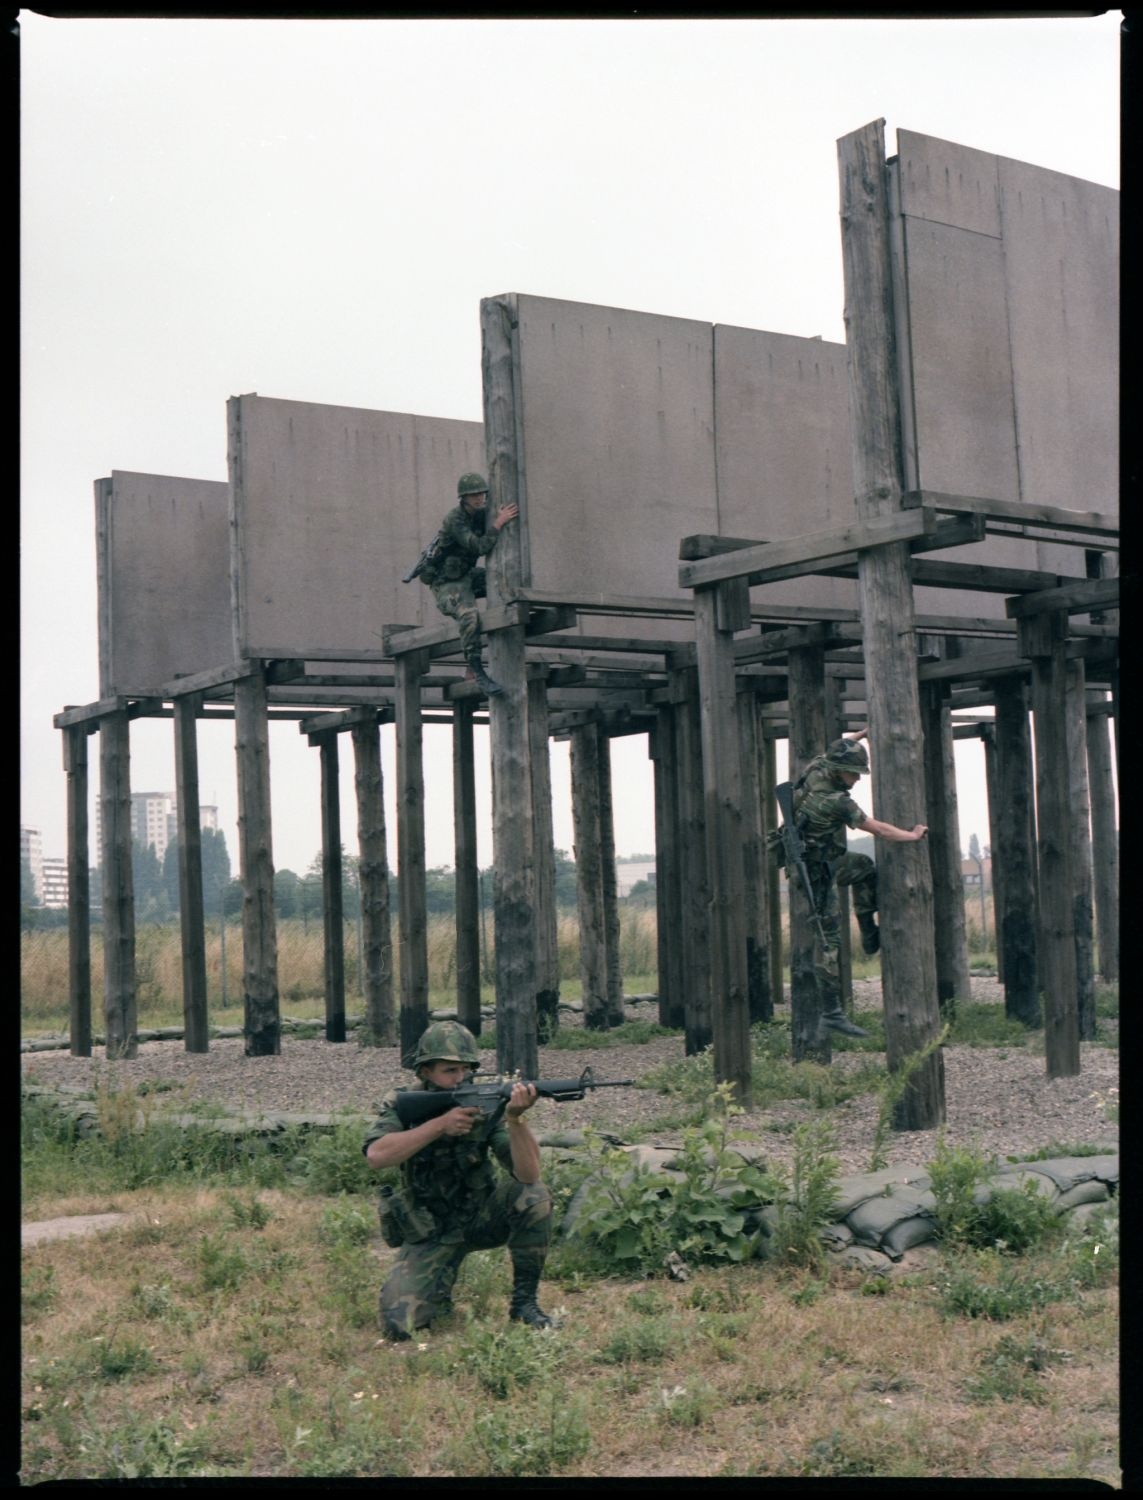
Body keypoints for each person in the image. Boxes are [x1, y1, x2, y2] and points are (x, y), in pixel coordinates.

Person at [363, 1021, 554, 1342]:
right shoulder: (403, 1104)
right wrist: (440, 1125)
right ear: (425, 1071)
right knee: (401, 1325)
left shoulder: (484, 1107)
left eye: (466, 1069)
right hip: (429, 1232)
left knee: (533, 1196)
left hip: (481, 1219)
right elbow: (377, 1156)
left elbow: (529, 1175)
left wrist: (515, 1119)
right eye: (450, 1070)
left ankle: (524, 1304)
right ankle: (441, 1280)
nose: (460, 1078)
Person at [790, 728, 928, 1038]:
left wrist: (862, 734)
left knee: (864, 867)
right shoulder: (836, 802)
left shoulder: (817, 768)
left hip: (815, 858)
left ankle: (868, 932)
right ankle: (832, 1013)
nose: (858, 779)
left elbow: (842, 742)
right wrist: (913, 835)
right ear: (839, 771)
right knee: (829, 943)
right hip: (817, 873)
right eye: (854, 773)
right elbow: (879, 830)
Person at [417, 472, 519, 697]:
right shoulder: (455, 519)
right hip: (446, 584)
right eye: (472, 495)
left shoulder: (481, 514)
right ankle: (476, 671)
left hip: (466, 576)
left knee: (502, 582)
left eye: (481, 493)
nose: (478, 498)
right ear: (463, 498)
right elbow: (480, 546)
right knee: (469, 615)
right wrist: (499, 523)